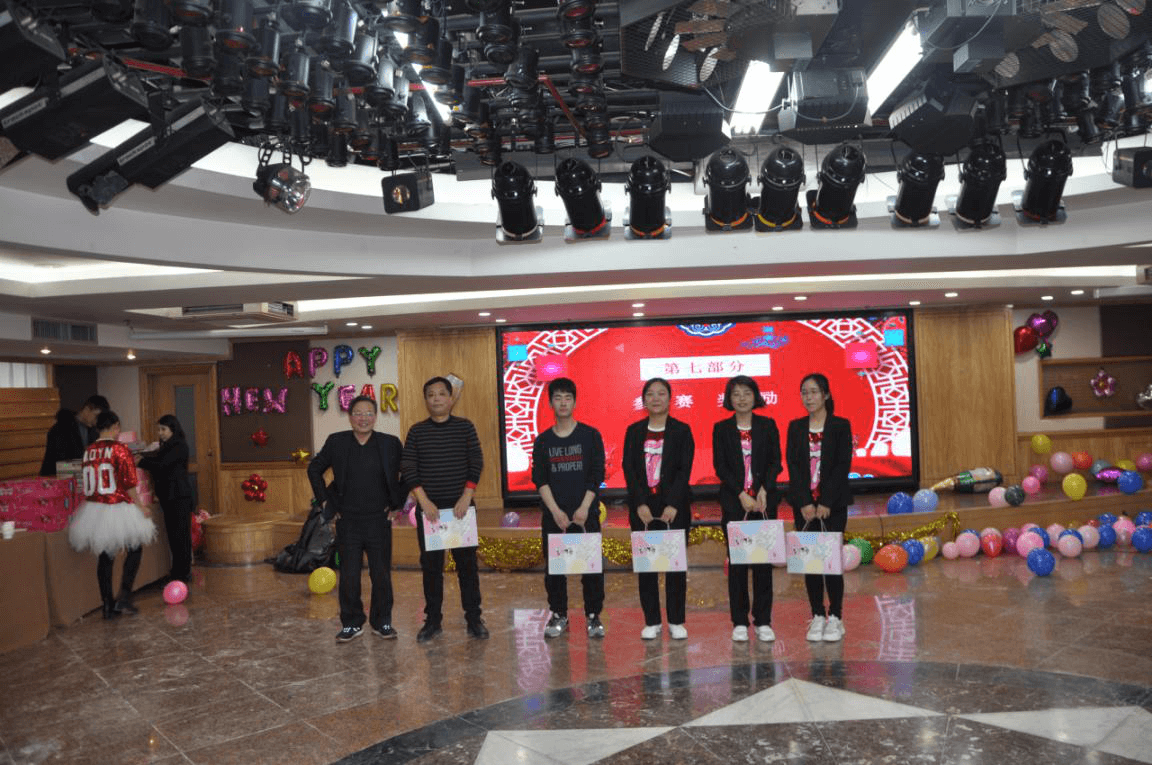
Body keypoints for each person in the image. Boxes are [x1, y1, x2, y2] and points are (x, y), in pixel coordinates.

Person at [308, 395, 405, 643]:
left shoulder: (390, 443)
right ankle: (351, 623)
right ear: (350, 417)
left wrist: (397, 504)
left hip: (379, 520)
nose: (364, 418)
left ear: (375, 416)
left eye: (369, 413)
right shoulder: (337, 442)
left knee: (381, 575)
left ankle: (382, 622)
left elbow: (408, 472)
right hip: (348, 521)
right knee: (349, 576)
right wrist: (326, 501)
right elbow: (314, 469)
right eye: (359, 413)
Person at [402, 376, 487, 643]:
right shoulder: (417, 431)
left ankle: (474, 619)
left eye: (441, 394)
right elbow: (409, 467)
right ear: (425, 400)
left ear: (451, 399)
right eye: (431, 394)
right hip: (431, 512)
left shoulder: (465, 427)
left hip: (461, 507)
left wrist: (466, 496)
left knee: (467, 567)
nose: (436, 398)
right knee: (431, 568)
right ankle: (432, 621)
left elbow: (476, 461)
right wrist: (423, 501)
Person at [532, 377, 607, 640]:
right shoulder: (543, 441)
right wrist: (555, 511)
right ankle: (559, 614)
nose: (563, 403)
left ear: (574, 402)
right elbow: (540, 479)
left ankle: (593, 616)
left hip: (585, 514)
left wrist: (584, 508)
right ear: (550, 403)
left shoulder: (590, 436)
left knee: (591, 568)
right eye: (558, 398)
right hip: (555, 516)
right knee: (555, 569)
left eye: (568, 397)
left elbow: (596, 474)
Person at [622, 377, 695, 640]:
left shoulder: (682, 430)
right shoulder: (634, 431)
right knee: (647, 566)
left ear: (670, 399)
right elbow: (629, 469)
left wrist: (673, 504)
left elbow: (684, 470)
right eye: (650, 394)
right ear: (644, 400)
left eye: (661, 393)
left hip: (674, 508)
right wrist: (639, 502)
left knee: (675, 567)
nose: (655, 398)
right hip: (643, 508)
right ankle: (652, 620)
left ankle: (676, 620)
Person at [712, 375, 782, 643]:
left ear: (756, 396)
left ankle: (763, 621)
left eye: (747, 393)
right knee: (738, 565)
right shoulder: (721, 428)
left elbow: (776, 462)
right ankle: (739, 621)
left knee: (763, 565)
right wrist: (740, 494)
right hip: (735, 503)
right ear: (729, 399)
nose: (741, 398)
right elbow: (721, 467)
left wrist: (764, 489)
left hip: (763, 503)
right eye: (736, 394)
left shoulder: (767, 425)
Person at [67, 410, 156, 619]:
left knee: (106, 556)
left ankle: (107, 604)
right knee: (135, 547)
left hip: (95, 507)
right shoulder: (119, 449)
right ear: (115, 426)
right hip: (117, 504)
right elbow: (129, 483)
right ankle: (124, 596)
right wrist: (141, 506)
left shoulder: (88, 451)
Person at [785, 373, 853, 643]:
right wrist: (804, 502)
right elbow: (794, 466)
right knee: (811, 562)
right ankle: (816, 615)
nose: (808, 397)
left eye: (814, 392)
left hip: (832, 506)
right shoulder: (795, 427)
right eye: (804, 392)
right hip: (804, 507)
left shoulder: (840, 426)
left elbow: (842, 465)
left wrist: (826, 501)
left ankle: (835, 616)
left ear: (826, 395)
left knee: (830, 562)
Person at [137, 414, 194, 583]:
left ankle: (183, 573)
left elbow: (162, 465)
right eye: (159, 429)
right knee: (174, 536)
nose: (160, 433)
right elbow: (156, 457)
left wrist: (141, 462)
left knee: (181, 536)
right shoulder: (167, 446)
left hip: (179, 497)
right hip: (170, 497)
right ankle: (177, 571)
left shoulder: (179, 445)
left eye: (163, 429)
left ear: (173, 429)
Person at [39, 394, 109, 476]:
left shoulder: (93, 431)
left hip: (78, 476)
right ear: (87, 409)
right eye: (96, 416)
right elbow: (59, 463)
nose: (96, 421)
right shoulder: (61, 428)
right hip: (55, 477)